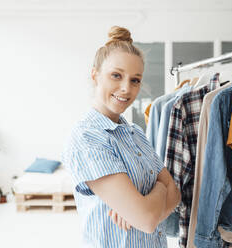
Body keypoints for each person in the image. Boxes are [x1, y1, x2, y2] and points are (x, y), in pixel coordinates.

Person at [62, 26, 181, 248]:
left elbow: (175, 195)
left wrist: (147, 207)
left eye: (135, 80)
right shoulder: (87, 138)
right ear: (95, 75)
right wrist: (160, 191)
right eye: (116, 75)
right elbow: (147, 219)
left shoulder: (135, 133)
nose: (126, 88)